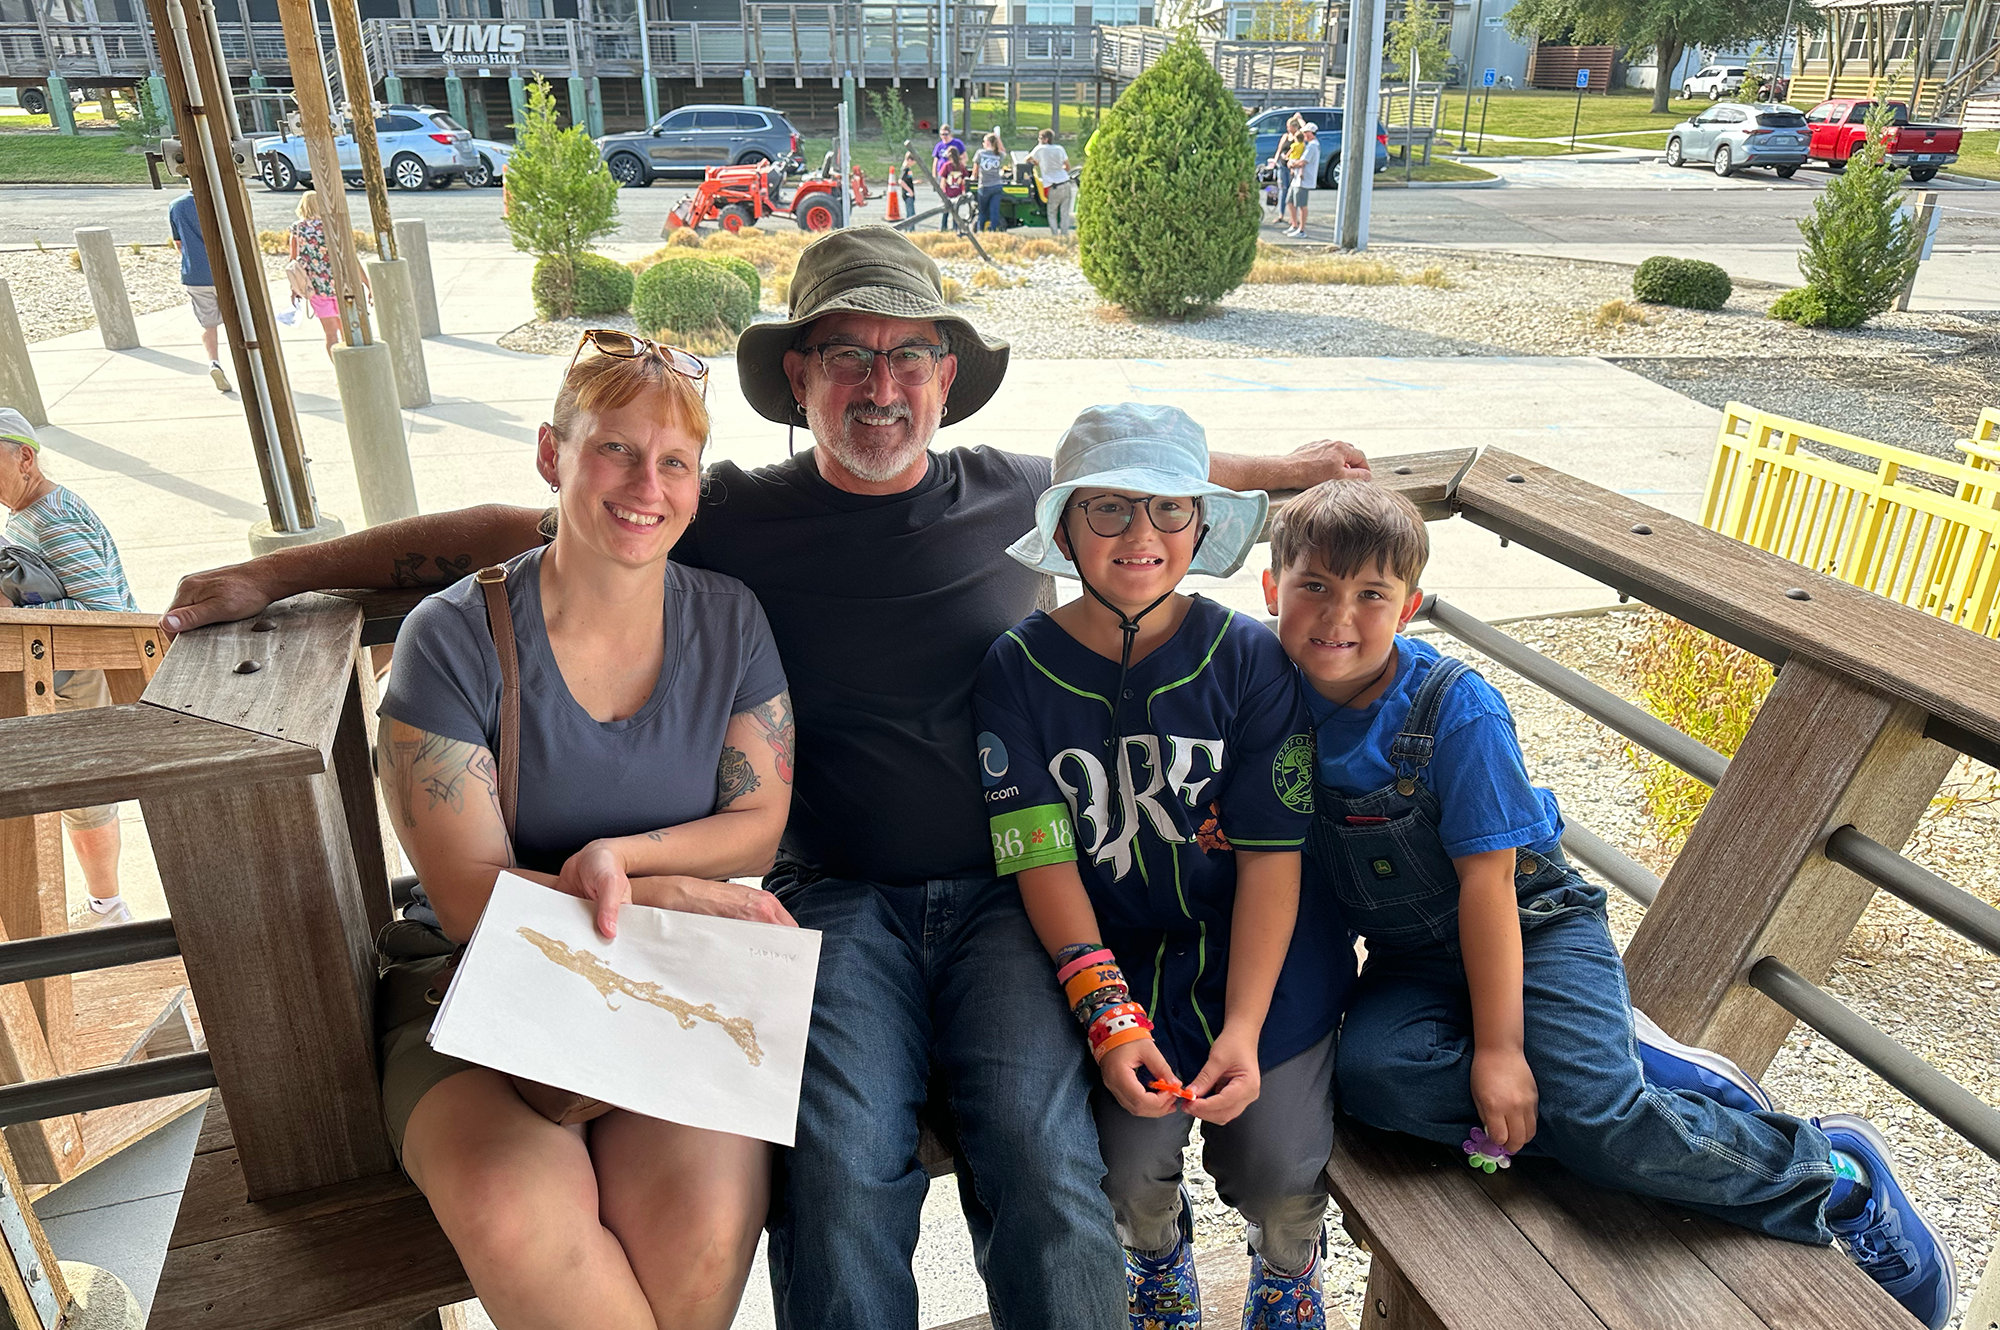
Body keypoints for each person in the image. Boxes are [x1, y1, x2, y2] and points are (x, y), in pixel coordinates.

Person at [158, 226, 1374, 1330]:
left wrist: (1293, 470)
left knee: (1038, 1154)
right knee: (841, 1163)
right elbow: (506, 526)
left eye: (911, 355)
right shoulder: (720, 512)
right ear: (797, 380)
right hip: (826, 898)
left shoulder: (1018, 497)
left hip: (1015, 892)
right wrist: (276, 574)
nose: (881, 385)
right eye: (846, 354)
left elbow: (1154, 474)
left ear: (948, 376)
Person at [1262, 480, 1960, 1330]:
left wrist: (1499, 1051)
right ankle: (1623, 1093)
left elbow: (1489, 889)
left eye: (1370, 594)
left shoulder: (1456, 710)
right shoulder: (1270, 699)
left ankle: (1834, 1177)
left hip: (1535, 927)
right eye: (1315, 587)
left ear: (1407, 608)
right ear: (1273, 591)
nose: (1340, 615)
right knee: (1376, 1082)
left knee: (1598, 1121)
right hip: (1415, 962)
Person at [375, 333, 797, 1329]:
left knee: (699, 1235)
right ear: (550, 454)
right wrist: (675, 893)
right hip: (475, 997)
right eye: (613, 448)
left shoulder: (728, 619)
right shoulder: (454, 636)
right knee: (518, 1221)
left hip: (671, 985)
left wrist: (624, 864)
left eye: (674, 461)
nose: (644, 483)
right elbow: (476, 901)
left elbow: (757, 825)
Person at [974, 405, 1345, 1330]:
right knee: (1129, 1165)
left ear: (1202, 525)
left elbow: (1272, 860)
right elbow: (1037, 851)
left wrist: (1247, 1027)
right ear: (1062, 527)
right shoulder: (1016, 670)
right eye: (1108, 510)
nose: (1142, 536)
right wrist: (1105, 1014)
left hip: (1256, 956)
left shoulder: (1249, 660)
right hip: (1114, 958)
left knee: (1276, 1157)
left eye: (1170, 510)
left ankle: (1290, 1264)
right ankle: (1156, 1256)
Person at [0, 408, 140, 928]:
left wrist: (15, 616)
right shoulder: (33, 510)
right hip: (58, 671)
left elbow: (109, 615)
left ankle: (107, 911)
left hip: (76, 676)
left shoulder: (49, 518)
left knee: (83, 800)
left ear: (26, 458)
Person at [289, 190, 369, 356]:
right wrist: (368, 285)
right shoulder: (332, 226)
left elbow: (293, 263)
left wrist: (294, 289)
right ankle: (352, 368)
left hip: (316, 289)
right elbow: (351, 258)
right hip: (341, 285)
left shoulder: (297, 230)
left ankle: (340, 374)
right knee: (348, 331)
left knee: (331, 334)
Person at [166, 186, 231, 394]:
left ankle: (214, 362)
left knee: (208, 324)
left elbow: (179, 243)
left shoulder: (176, 206)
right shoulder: (223, 201)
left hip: (195, 274)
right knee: (238, 321)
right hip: (226, 271)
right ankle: (249, 364)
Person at [1029, 128, 1073, 238]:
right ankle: (1065, 236)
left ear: (1045, 139)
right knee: (1064, 214)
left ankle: (1055, 236)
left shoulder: (1040, 149)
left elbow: (1027, 159)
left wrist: (1036, 162)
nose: (1038, 140)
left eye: (1039, 138)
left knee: (1052, 213)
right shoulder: (1060, 148)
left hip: (1054, 187)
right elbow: (1067, 166)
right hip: (1066, 183)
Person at [1286, 126, 1320, 237]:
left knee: (1302, 205)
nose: (1304, 134)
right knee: (1290, 201)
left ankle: (1302, 230)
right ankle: (1294, 225)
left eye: (1306, 132)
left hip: (1304, 180)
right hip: (1296, 178)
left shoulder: (1313, 146)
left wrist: (1291, 164)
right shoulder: (1308, 145)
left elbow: (1303, 162)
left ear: (1311, 133)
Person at [974, 132, 1008, 233]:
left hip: (984, 186)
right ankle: (993, 230)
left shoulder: (980, 153)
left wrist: (973, 178)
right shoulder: (998, 154)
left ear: (988, 142)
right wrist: (998, 138)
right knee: (994, 211)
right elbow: (1004, 151)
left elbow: (975, 171)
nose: (983, 143)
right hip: (997, 185)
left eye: (984, 141)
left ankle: (980, 231)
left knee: (982, 211)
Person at [938, 144, 970, 232]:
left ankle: (943, 228)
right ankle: (955, 229)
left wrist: (942, 192)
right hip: (957, 192)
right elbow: (964, 179)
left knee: (945, 212)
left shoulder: (946, 166)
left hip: (948, 192)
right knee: (955, 212)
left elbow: (943, 180)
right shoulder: (961, 166)